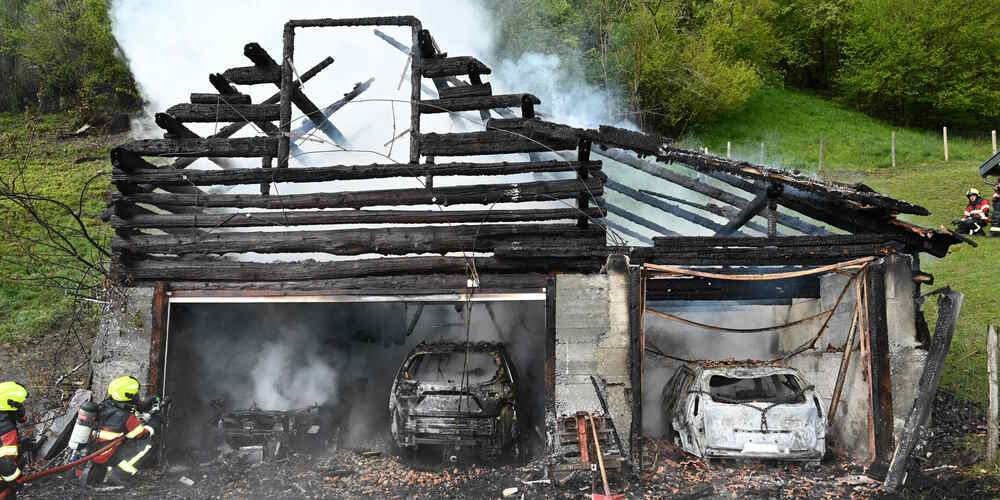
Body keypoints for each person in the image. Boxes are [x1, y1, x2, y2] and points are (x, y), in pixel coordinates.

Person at [80, 376, 158, 486]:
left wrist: (143, 406)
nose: (137, 396)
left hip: (93, 451)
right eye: (136, 394)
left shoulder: (104, 405)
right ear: (128, 395)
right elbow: (141, 435)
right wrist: (152, 425)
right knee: (147, 445)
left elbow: (131, 409)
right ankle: (119, 475)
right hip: (106, 455)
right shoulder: (126, 416)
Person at [0, 381, 28, 499]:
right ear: (10, 404)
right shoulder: (6, 429)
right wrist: (17, 484)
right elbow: (6, 464)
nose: (22, 408)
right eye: (19, 404)